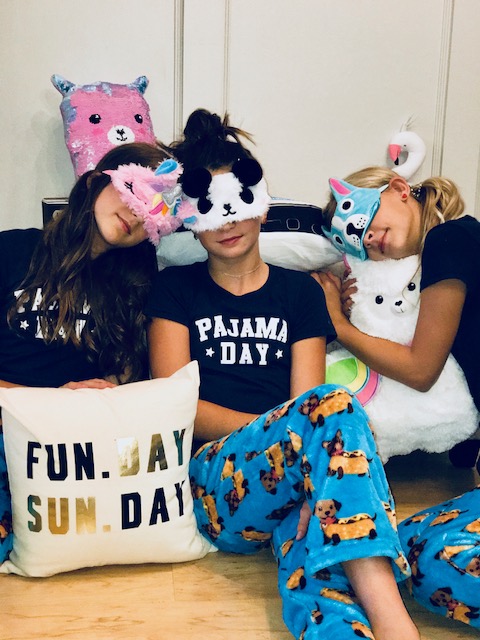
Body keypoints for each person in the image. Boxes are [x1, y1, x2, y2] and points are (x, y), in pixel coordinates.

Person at [145, 109, 420, 640]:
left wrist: (309, 465)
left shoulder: (300, 294)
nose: (226, 223)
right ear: (191, 218)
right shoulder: (175, 290)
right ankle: (398, 627)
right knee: (332, 409)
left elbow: (306, 401)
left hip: (297, 478)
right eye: (209, 210)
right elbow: (174, 405)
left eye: (236, 204)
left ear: (260, 202)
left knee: (320, 557)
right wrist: (290, 439)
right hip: (213, 481)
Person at [0, 140, 190, 560]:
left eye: (153, 213)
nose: (137, 214)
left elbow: (125, 385)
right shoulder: (10, 251)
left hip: (67, 450)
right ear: (94, 181)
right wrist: (41, 402)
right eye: (135, 192)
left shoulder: (136, 287)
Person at [314, 166, 480, 629]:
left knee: (426, 561)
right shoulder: (435, 260)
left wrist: (339, 325)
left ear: (400, 189)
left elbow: (420, 369)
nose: (368, 238)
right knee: (411, 551)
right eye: (357, 242)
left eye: (365, 220)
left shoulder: (451, 238)